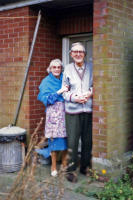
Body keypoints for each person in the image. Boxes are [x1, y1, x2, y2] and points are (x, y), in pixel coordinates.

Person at [62, 42, 93, 182]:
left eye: (81, 52)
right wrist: (74, 98)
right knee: (73, 141)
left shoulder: (92, 67)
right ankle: (71, 171)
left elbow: (94, 85)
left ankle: (85, 167)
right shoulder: (67, 69)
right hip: (72, 111)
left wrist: (89, 94)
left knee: (87, 141)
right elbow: (64, 91)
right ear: (71, 54)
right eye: (75, 52)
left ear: (84, 54)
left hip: (88, 109)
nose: (78, 54)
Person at [36, 59, 68, 177]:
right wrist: (60, 91)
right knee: (53, 140)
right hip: (53, 114)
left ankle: (64, 165)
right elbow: (47, 99)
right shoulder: (46, 81)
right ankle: (53, 166)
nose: (56, 69)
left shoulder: (65, 79)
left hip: (66, 112)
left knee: (65, 139)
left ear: (61, 69)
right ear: (50, 69)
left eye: (58, 67)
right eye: (54, 67)